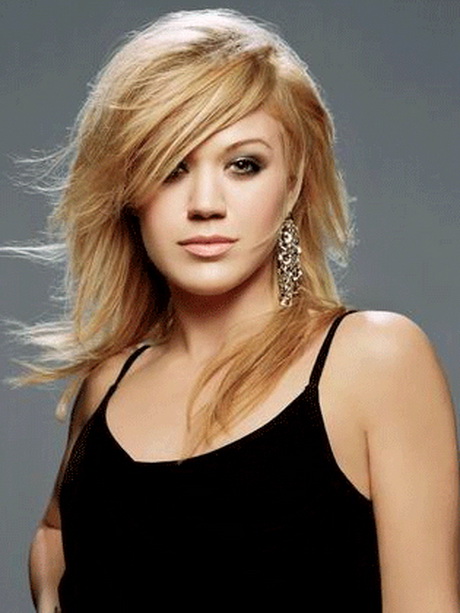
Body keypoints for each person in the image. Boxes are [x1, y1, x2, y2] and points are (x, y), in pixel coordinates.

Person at [9, 8, 457, 612]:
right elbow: (54, 536)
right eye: (171, 167)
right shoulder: (109, 385)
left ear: (292, 184)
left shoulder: (374, 361)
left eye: (243, 165)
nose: (205, 203)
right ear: (129, 190)